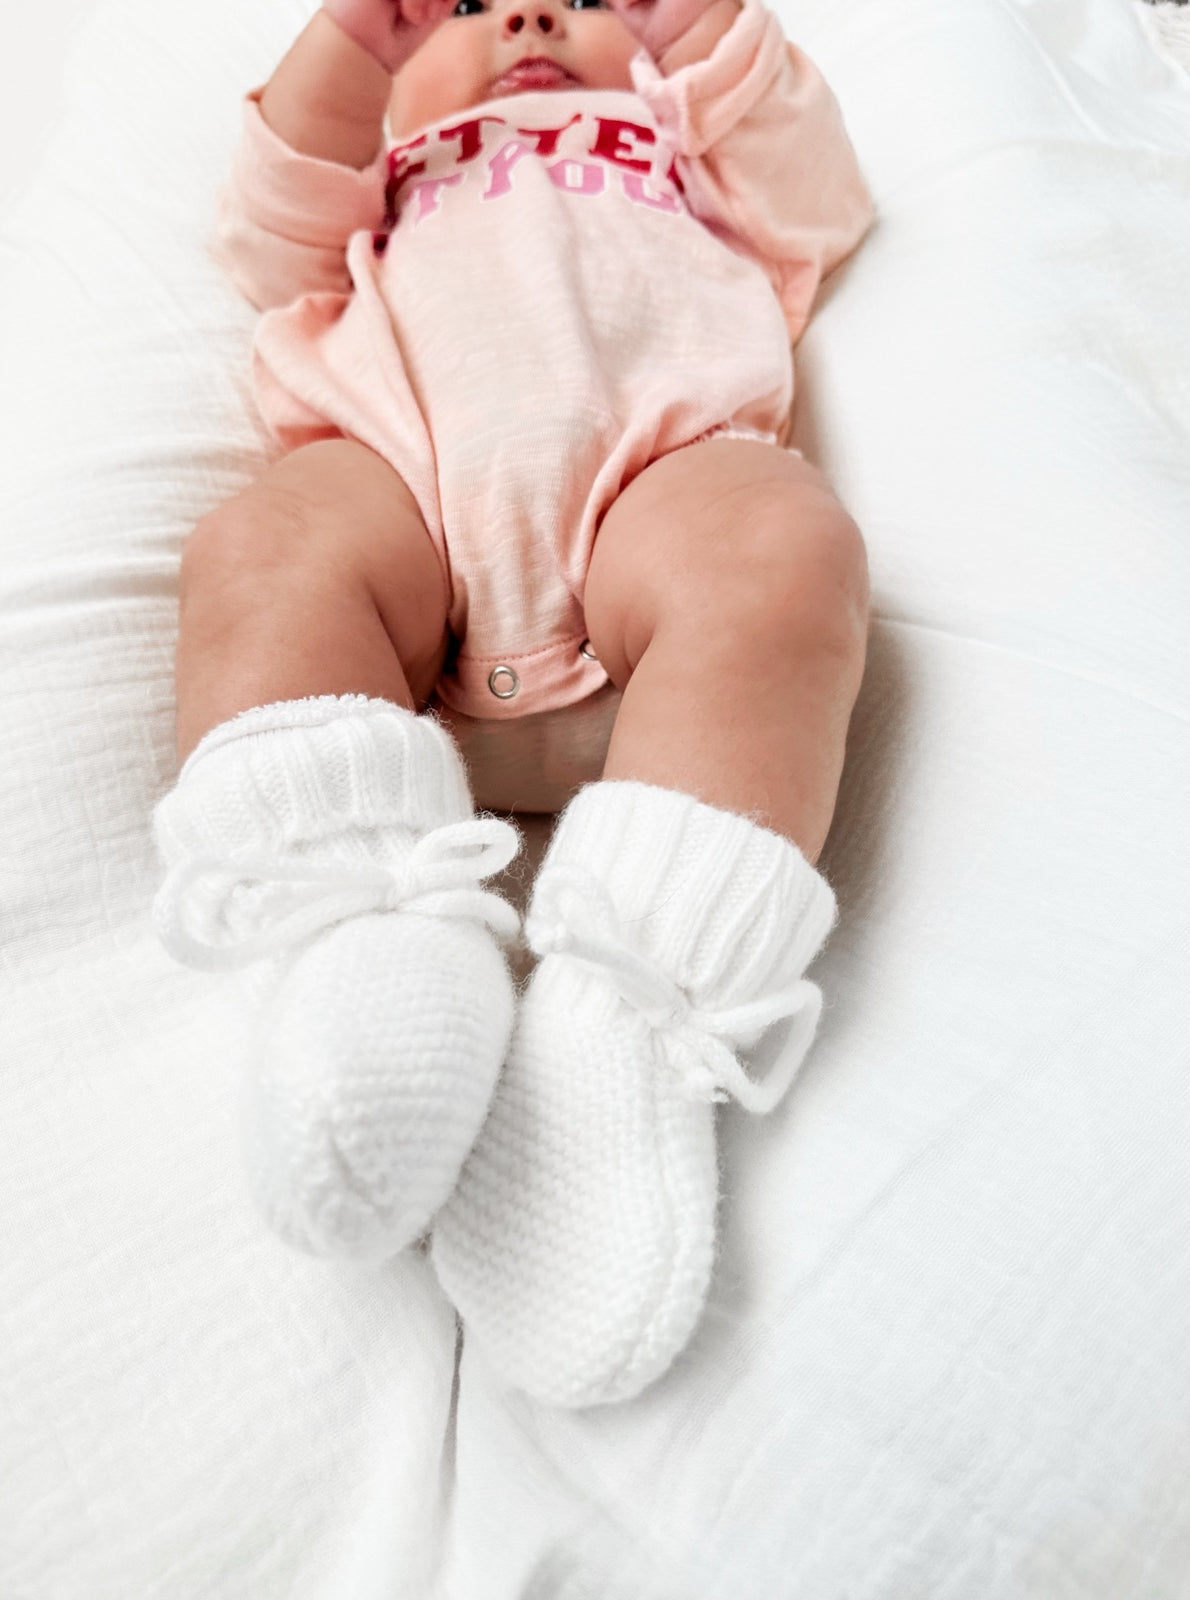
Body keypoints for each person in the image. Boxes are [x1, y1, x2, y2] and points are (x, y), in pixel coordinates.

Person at [151, 0, 874, 1407]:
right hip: (397, 497)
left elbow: (817, 194)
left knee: (783, 553)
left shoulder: (674, 143)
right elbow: (261, 230)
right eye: (469, 9)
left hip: (654, 490)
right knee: (261, 550)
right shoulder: (385, 187)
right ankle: (363, 946)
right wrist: (350, 57)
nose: (533, 18)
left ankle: (623, 1020)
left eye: (594, 4)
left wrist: (709, 32)